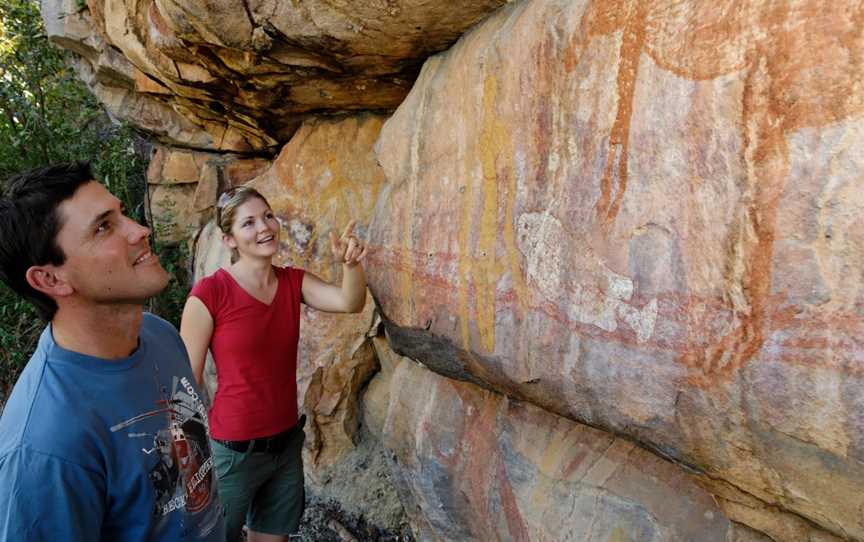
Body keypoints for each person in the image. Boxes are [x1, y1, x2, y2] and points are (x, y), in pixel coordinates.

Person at [0, 163, 224, 541]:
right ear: (50, 278)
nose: (140, 230)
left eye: (122, 214)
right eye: (104, 226)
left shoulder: (158, 335)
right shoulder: (44, 447)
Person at [180, 186, 367, 542]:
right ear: (229, 239)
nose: (264, 227)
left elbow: (348, 301)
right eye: (248, 223)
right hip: (232, 452)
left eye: (267, 216)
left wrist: (351, 265)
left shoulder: (292, 282)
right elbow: (187, 384)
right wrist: (189, 462)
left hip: (284, 447)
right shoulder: (210, 294)